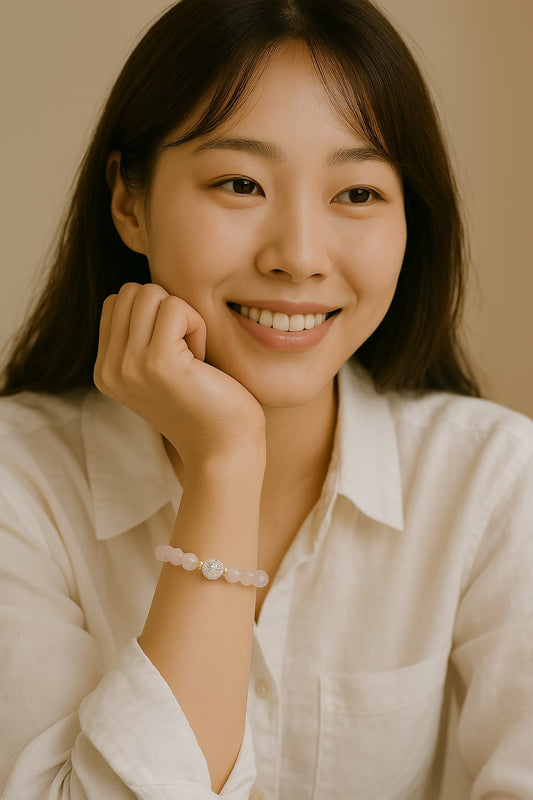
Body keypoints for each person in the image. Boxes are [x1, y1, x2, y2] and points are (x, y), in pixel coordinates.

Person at [0, 0, 532, 797]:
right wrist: (223, 466)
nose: (300, 256)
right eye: (239, 183)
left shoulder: (493, 482)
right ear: (129, 203)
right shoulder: (18, 483)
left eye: (357, 194)